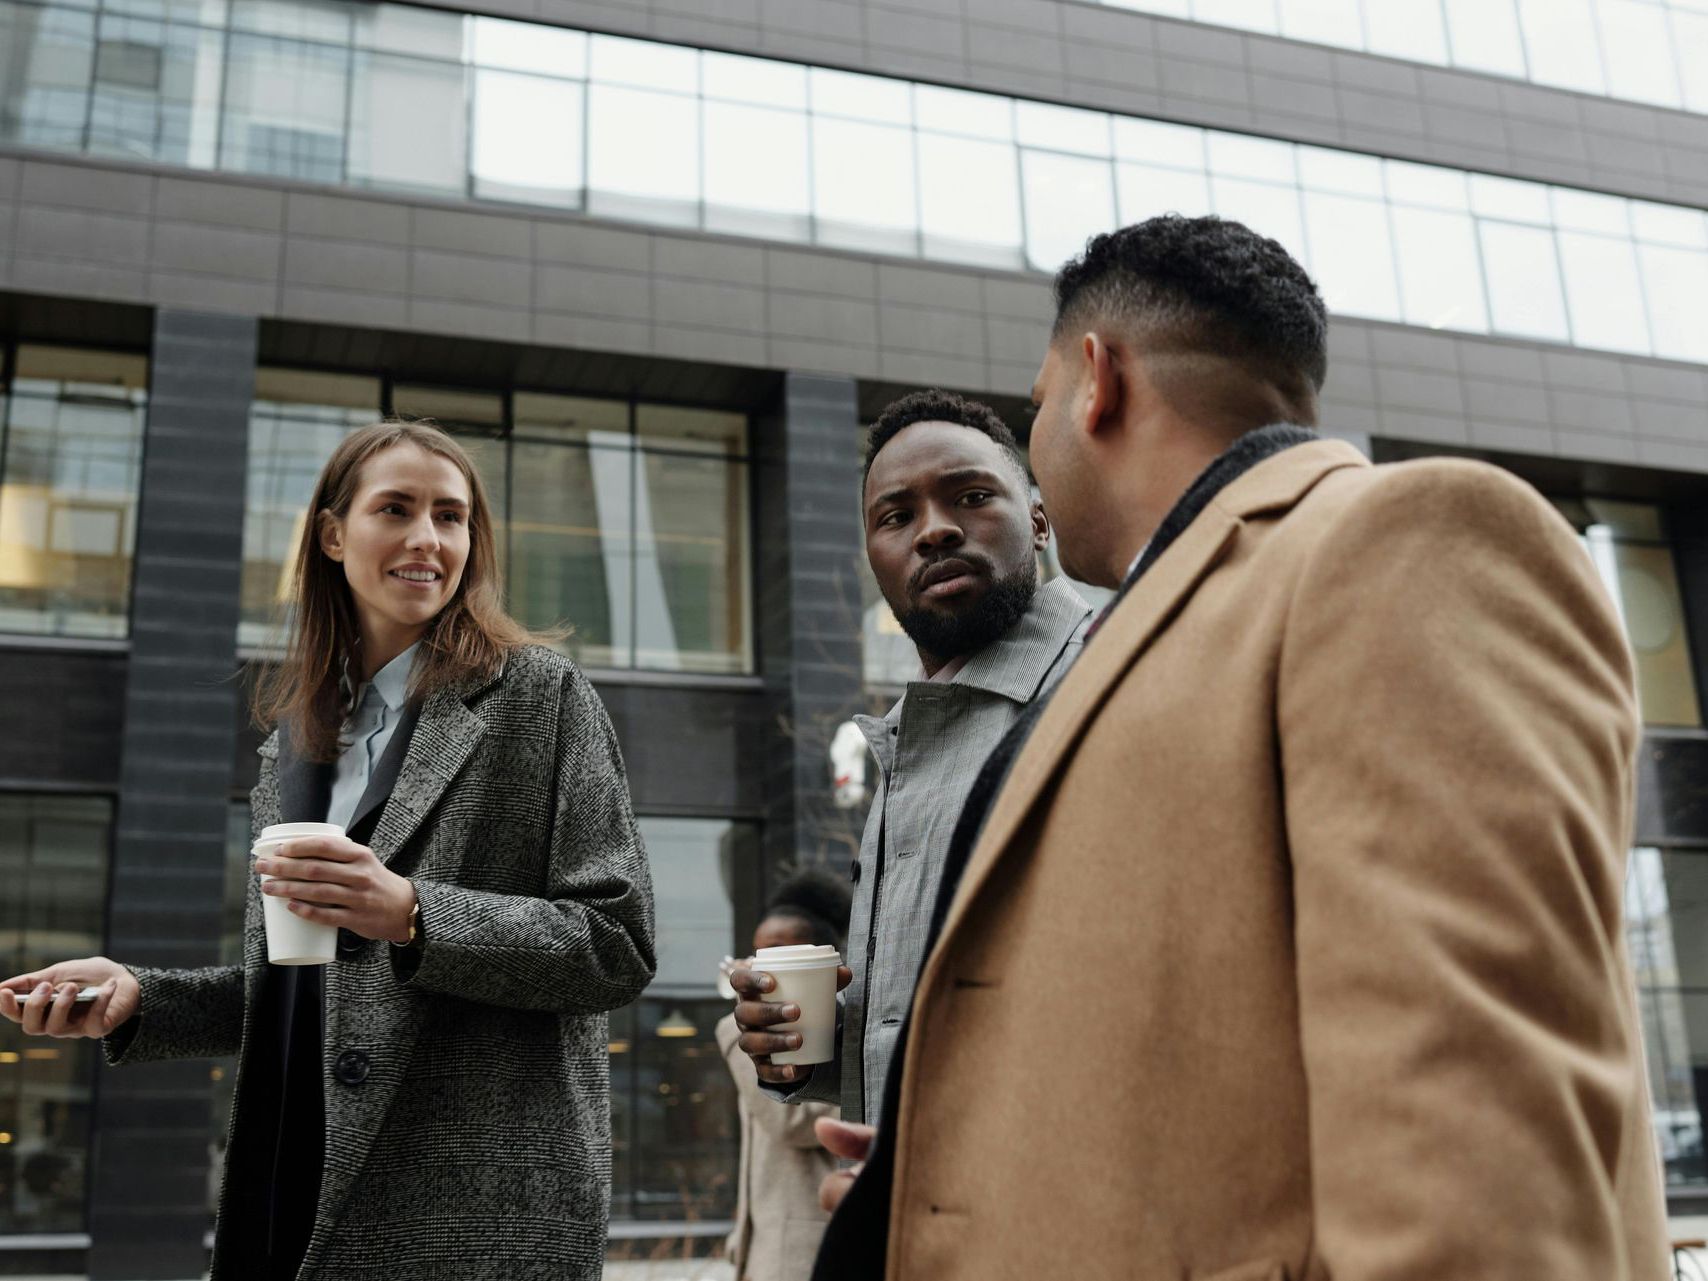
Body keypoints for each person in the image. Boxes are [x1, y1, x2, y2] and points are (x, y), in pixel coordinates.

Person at [813, 215, 1670, 1279]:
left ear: (1097, 381)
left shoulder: (1403, 540)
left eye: (1036, 405)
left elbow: (1473, 1143)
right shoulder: (1159, 636)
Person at [0, 420, 656, 1281]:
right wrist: (142, 1000)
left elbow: (617, 943)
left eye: (451, 516)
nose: (428, 538)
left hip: (467, 1217)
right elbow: (313, 987)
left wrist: (414, 913)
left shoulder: (540, 696)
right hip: (290, 1186)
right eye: (397, 508)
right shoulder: (299, 737)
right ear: (333, 534)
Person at [729, 391, 1090, 1128]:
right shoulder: (910, 734)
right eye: (895, 517)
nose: (934, 531)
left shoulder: (1107, 682)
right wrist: (814, 1050)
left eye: (972, 496)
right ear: (874, 556)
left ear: (1039, 518)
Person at [716, 869, 853, 1281]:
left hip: (805, 1248)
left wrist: (733, 1030)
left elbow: (790, 1122)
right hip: (762, 1244)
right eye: (757, 953)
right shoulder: (764, 1026)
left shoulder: (839, 1029)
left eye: (777, 951)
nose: (762, 965)